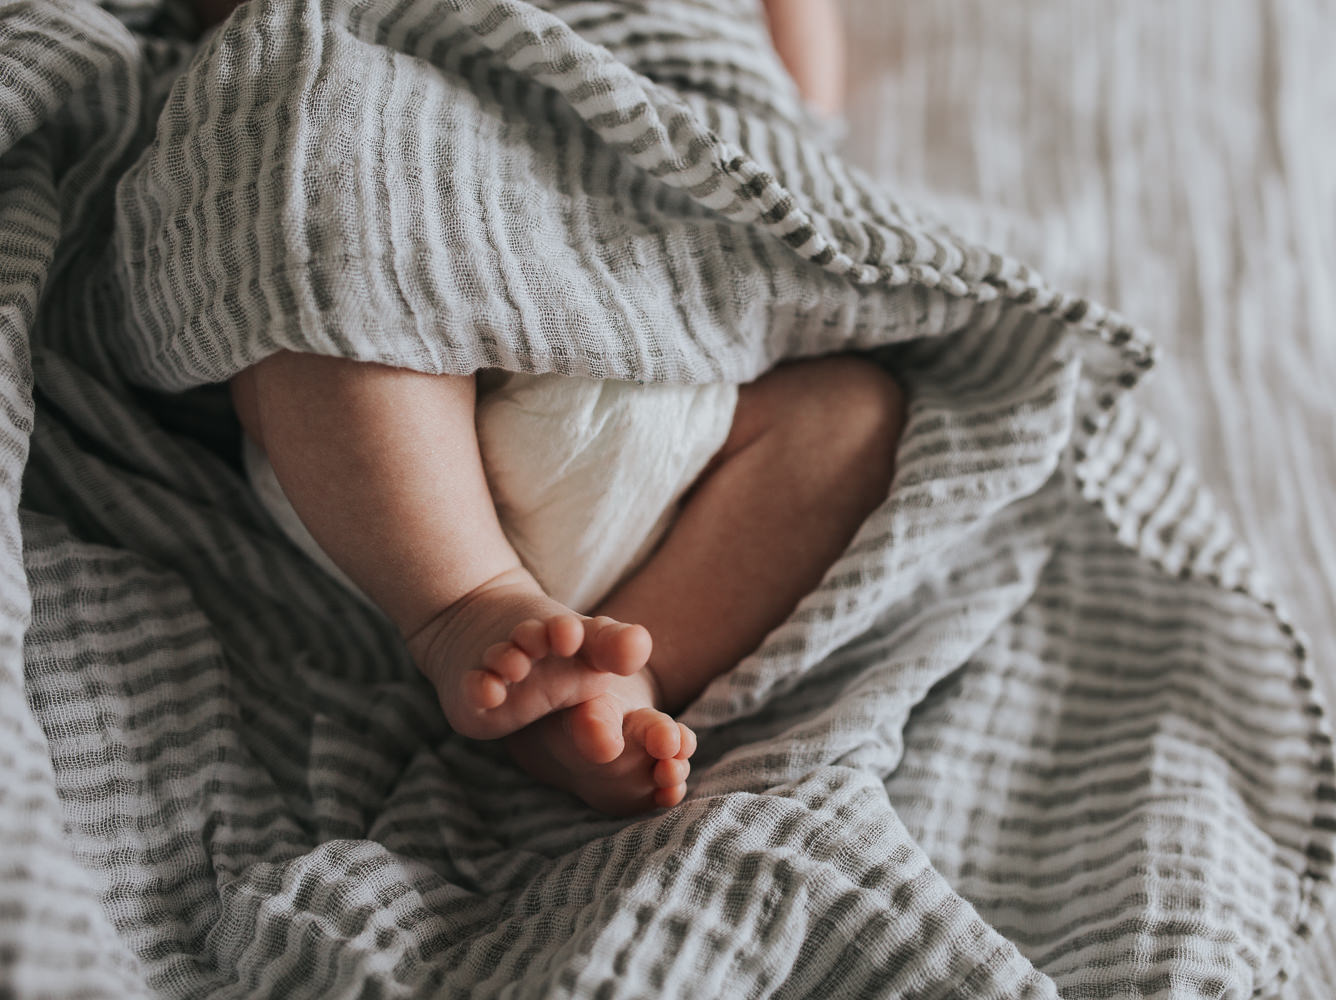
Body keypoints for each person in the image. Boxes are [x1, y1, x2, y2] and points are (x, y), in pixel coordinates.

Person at [198, 0, 902, 815]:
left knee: (857, 418)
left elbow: (802, 114)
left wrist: (784, 150)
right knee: (309, 206)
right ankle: (462, 600)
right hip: (399, 399)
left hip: (677, 329)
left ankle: (626, 669)